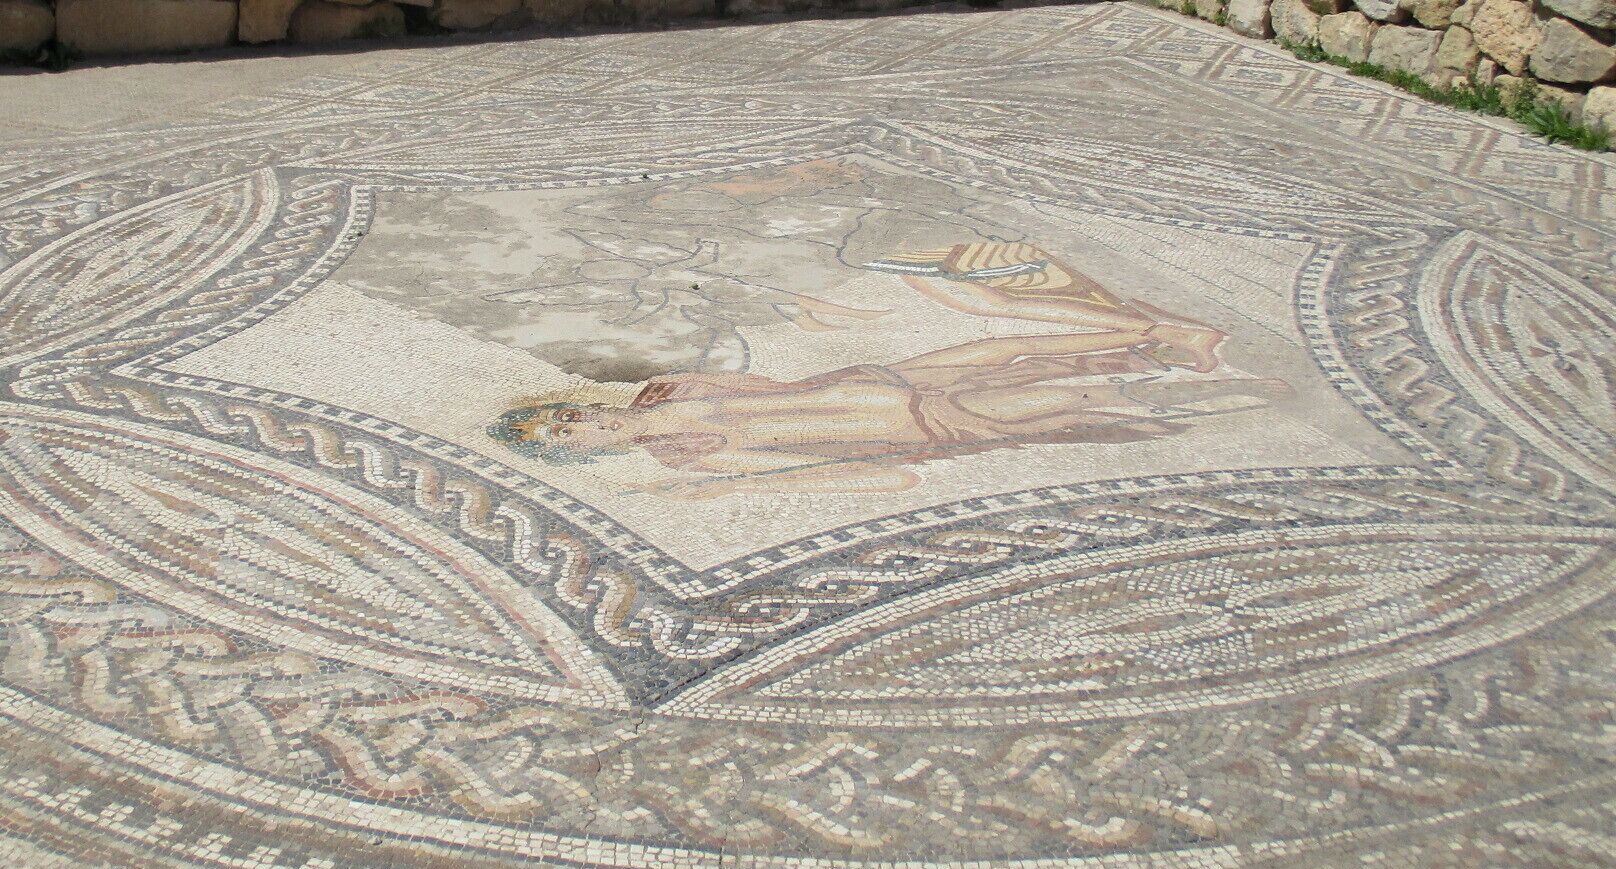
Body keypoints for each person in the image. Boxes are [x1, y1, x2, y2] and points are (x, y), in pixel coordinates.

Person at [491, 242, 1290, 501]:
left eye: (563, 413)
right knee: (1069, 405)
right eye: (564, 436)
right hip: (903, 425)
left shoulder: (668, 391)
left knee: (1009, 350)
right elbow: (784, 471)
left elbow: (769, 390)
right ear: (582, 455)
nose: (576, 421)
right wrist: (874, 475)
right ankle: (1221, 401)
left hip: (875, 380)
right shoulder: (681, 456)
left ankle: (1165, 339)